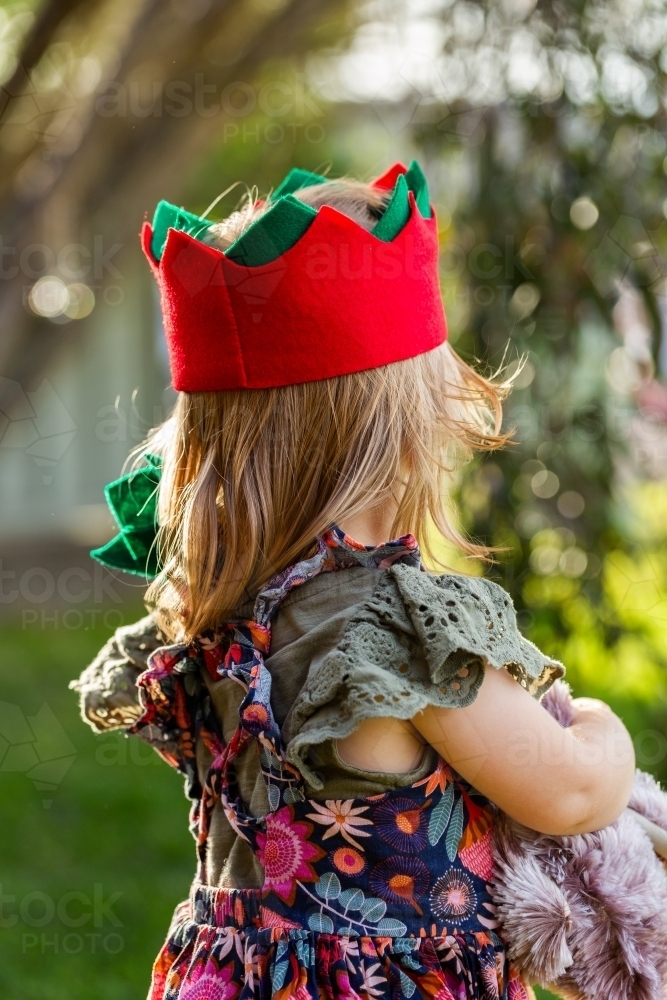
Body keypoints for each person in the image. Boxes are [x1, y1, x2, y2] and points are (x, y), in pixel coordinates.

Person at [74, 161, 636, 1000]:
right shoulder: (397, 627)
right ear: (411, 434)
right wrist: (596, 727)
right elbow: (569, 791)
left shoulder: (209, 620)